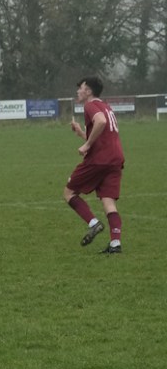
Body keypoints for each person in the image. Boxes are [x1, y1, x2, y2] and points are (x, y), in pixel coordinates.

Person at [63, 76, 125, 254]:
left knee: (68, 193)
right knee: (108, 200)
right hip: (116, 158)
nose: (78, 91)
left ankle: (94, 223)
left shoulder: (90, 106)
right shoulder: (106, 106)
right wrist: (82, 134)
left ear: (88, 91)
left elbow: (101, 122)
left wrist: (87, 145)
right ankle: (115, 244)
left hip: (99, 159)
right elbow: (103, 135)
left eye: (81, 88)